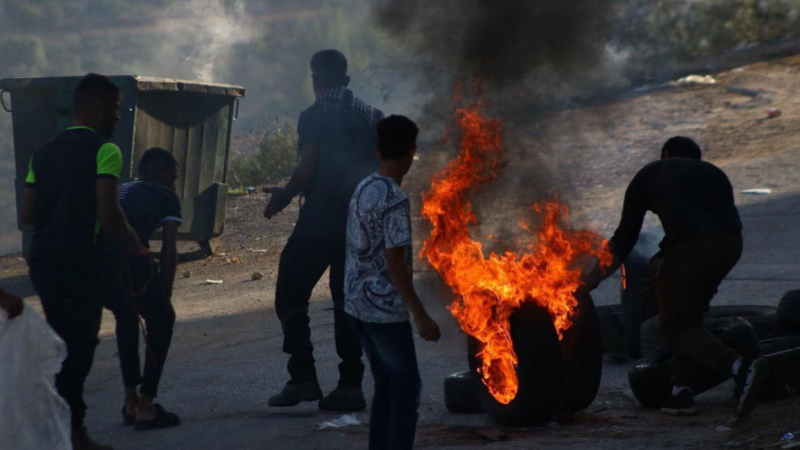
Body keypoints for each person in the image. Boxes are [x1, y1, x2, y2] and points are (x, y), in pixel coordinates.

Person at [580, 136, 768, 418]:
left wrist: (591, 280)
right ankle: (681, 391)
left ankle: (740, 367)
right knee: (689, 318)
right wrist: (664, 269)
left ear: (666, 153)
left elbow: (624, 239)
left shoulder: (652, 172)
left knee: (676, 327)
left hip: (692, 247)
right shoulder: (715, 173)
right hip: (731, 246)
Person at [20, 73, 141, 450]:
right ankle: (69, 434)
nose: (119, 117)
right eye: (116, 109)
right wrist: (135, 245)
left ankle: (63, 430)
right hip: (75, 261)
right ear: (99, 108)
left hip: (42, 260)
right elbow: (109, 214)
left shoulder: (42, 153)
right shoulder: (105, 150)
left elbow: (27, 215)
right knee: (78, 347)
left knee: (64, 340)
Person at [264, 49, 385, 410]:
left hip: (320, 223)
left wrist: (285, 195)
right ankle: (350, 386)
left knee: (290, 292)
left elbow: (309, 164)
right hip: (359, 224)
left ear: (315, 80)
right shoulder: (374, 116)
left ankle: (302, 378)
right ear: (346, 80)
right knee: (345, 302)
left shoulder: (314, 114)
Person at [345, 115, 440, 450]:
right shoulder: (395, 200)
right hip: (384, 310)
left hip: (356, 304)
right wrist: (420, 314)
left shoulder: (364, 187)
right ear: (412, 152)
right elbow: (395, 264)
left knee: (385, 384)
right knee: (406, 387)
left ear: (377, 150)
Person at [103, 148, 182, 431]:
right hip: (132, 258)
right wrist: (166, 293)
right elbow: (169, 247)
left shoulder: (123, 187)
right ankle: (147, 405)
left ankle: (130, 401)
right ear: (157, 174)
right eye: (172, 177)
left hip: (100, 264)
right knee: (162, 321)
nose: (174, 183)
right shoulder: (167, 196)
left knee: (126, 319)